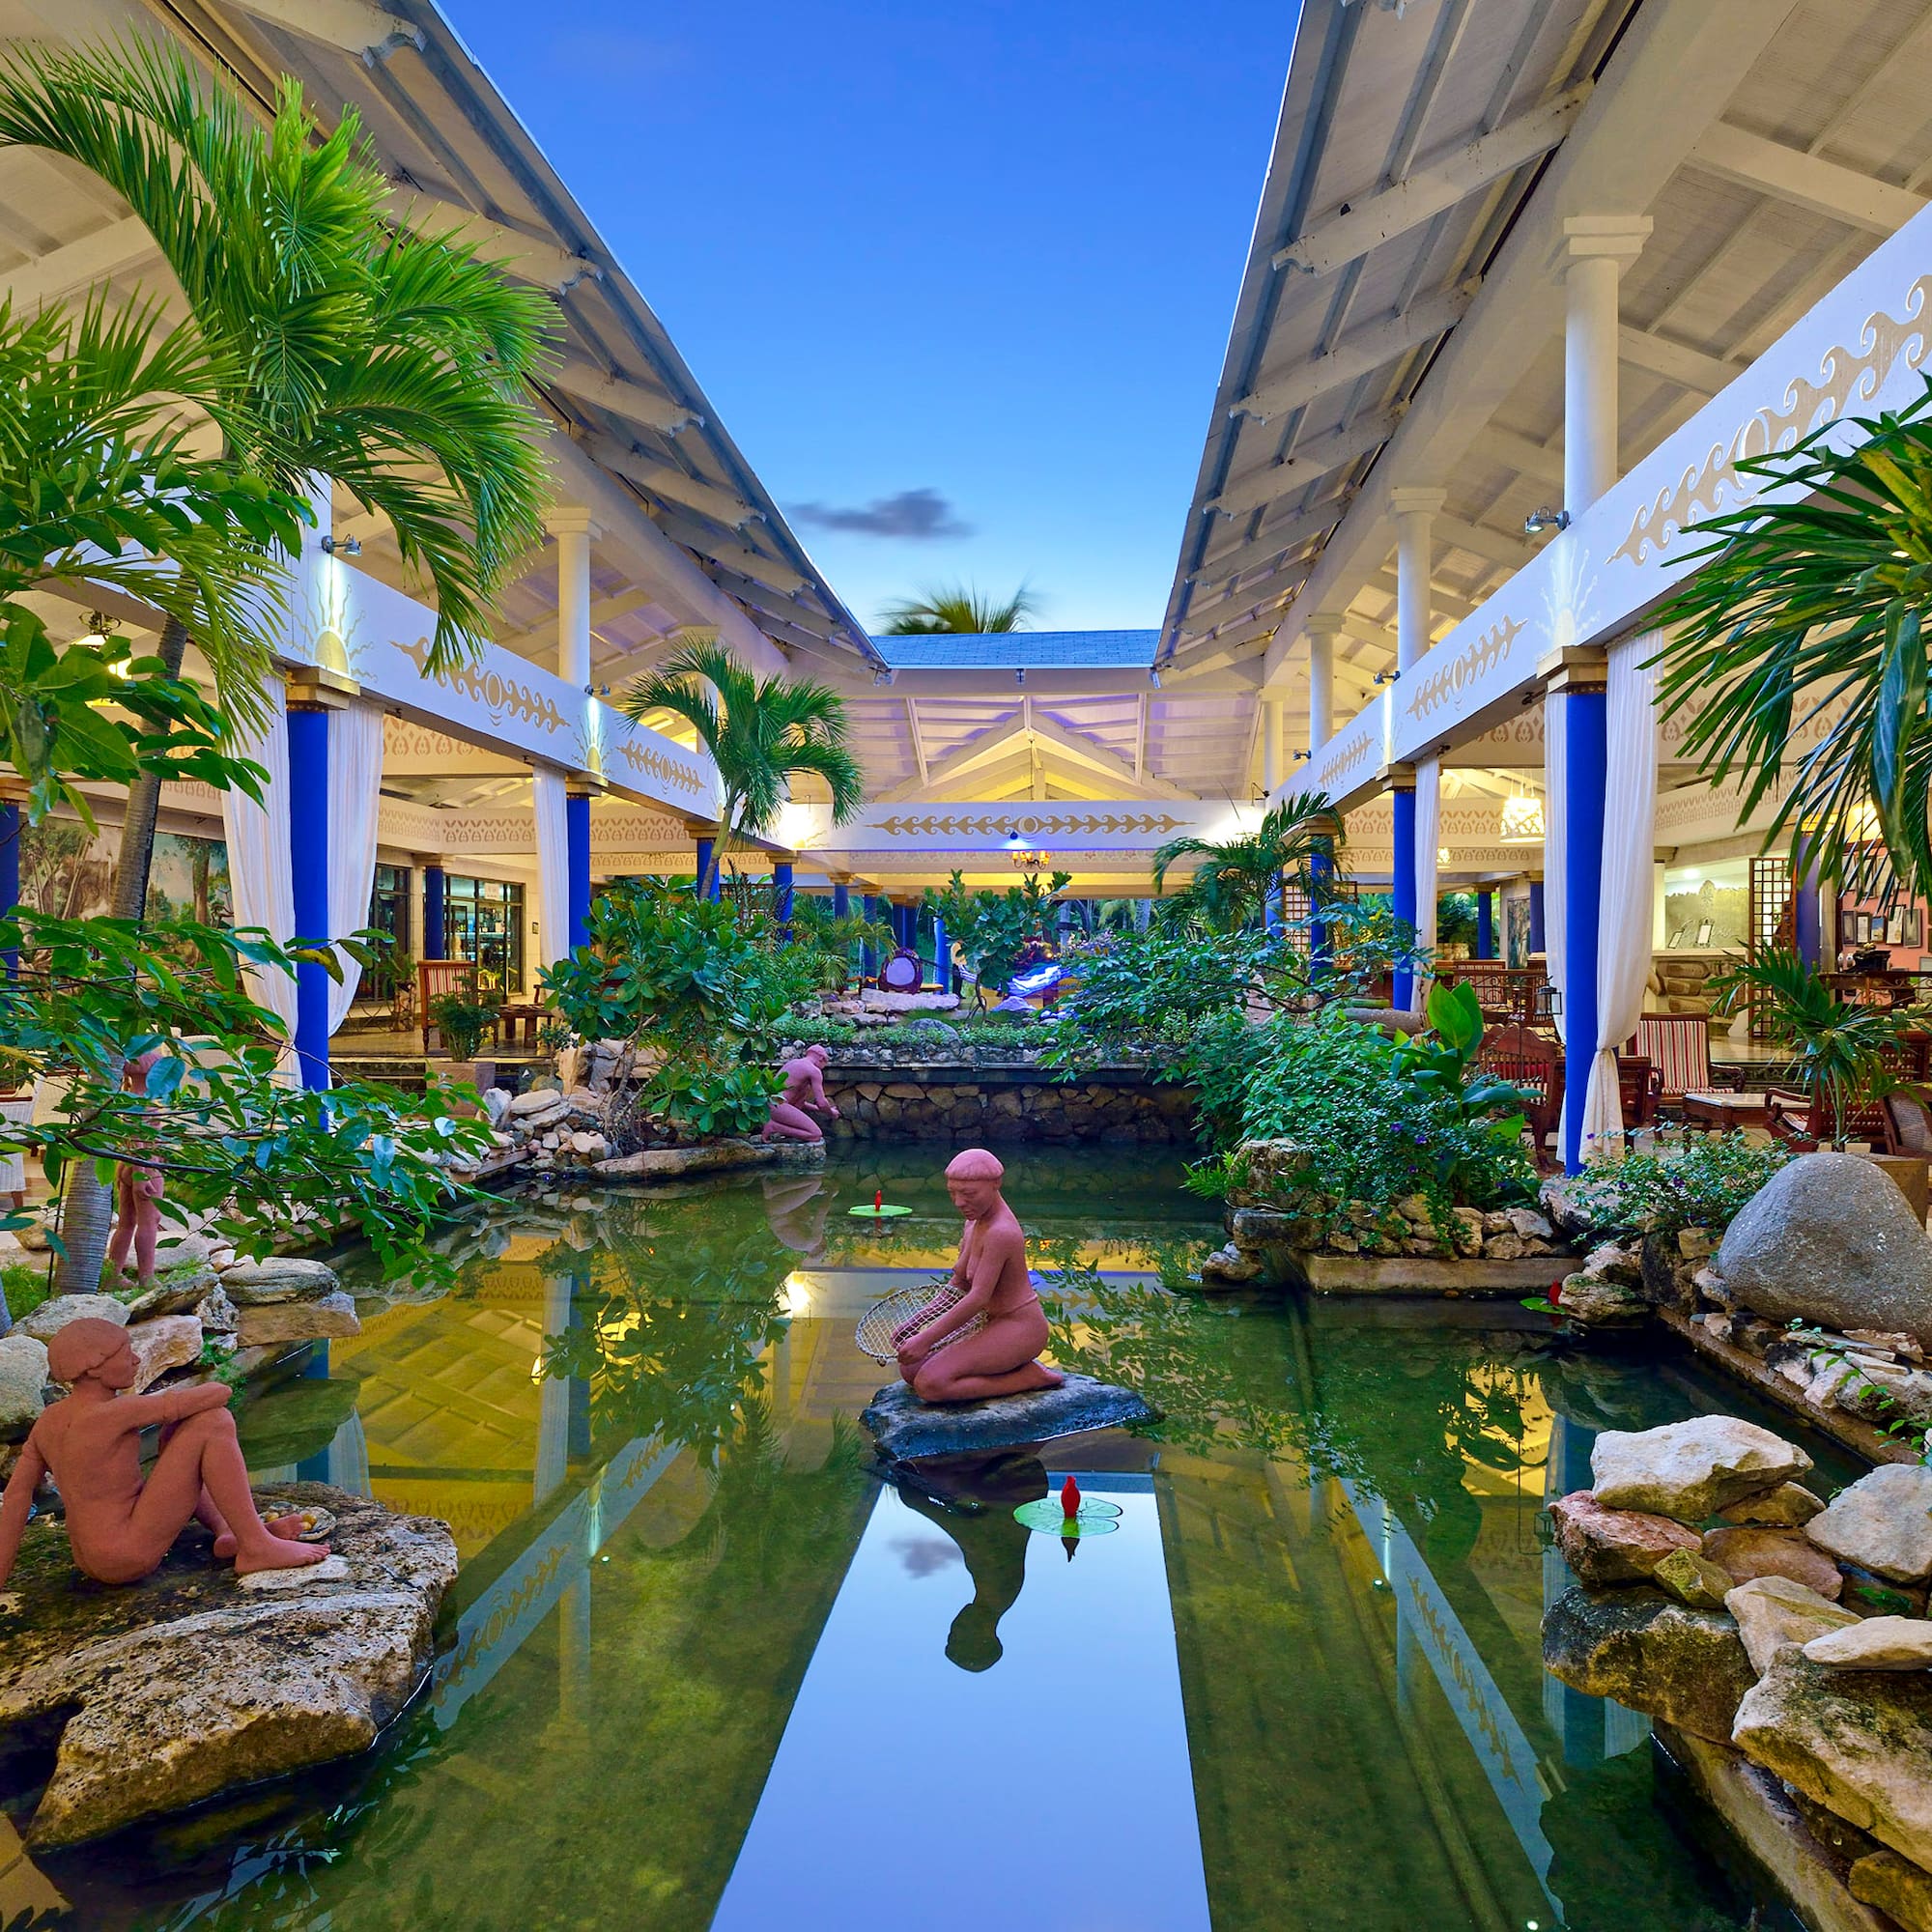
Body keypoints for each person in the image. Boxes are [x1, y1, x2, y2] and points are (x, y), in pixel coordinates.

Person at [0, 1319, 328, 1588]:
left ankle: (230, 1532)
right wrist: (178, 1407)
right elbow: (219, 1393)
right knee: (214, 1422)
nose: (136, 1359)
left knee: (179, 1434)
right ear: (95, 1367)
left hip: (91, 1560)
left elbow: (15, 1500)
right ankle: (257, 1546)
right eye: (125, 1352)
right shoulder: (114, 1412)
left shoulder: (49, 1420)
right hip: (129, 1553)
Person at [892, 1148, 1064, 1402]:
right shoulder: (973, 1223)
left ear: (996, 1185)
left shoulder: (1001, 1232)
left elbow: (978, 1297)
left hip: (1020, 1328)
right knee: (910, 1370)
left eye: (969, 1194)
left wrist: (927, 1339)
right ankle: (1002, 1367)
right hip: (989, 1321)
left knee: (930, 1385)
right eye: (953, 1193)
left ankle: (1027, 1378)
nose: (959, 1202)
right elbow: (959, 1284)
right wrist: (916, 1323)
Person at [106, 1045, 166, 1287]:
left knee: (126, 1222)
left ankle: (112, 1275)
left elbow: (130, 1140)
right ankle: (146, 1277)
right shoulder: (145, 1102)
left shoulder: (127, 1097)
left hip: (126, 1166)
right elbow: (139, 1140)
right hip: (144, 1168)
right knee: (149, 1222)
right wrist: (143, 1175)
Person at [763, 1043, 839, 1144]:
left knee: (804, 1090)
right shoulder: (814, 1070)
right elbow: (822, 1103)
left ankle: (780, 1128)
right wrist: (831, 1113)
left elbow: (800, 1102)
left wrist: (818, 1109)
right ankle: (774, 1127)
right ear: (821, 1058)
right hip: (779, 1106)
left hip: (769, 1104)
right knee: (815, 1135)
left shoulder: (793, 1063)